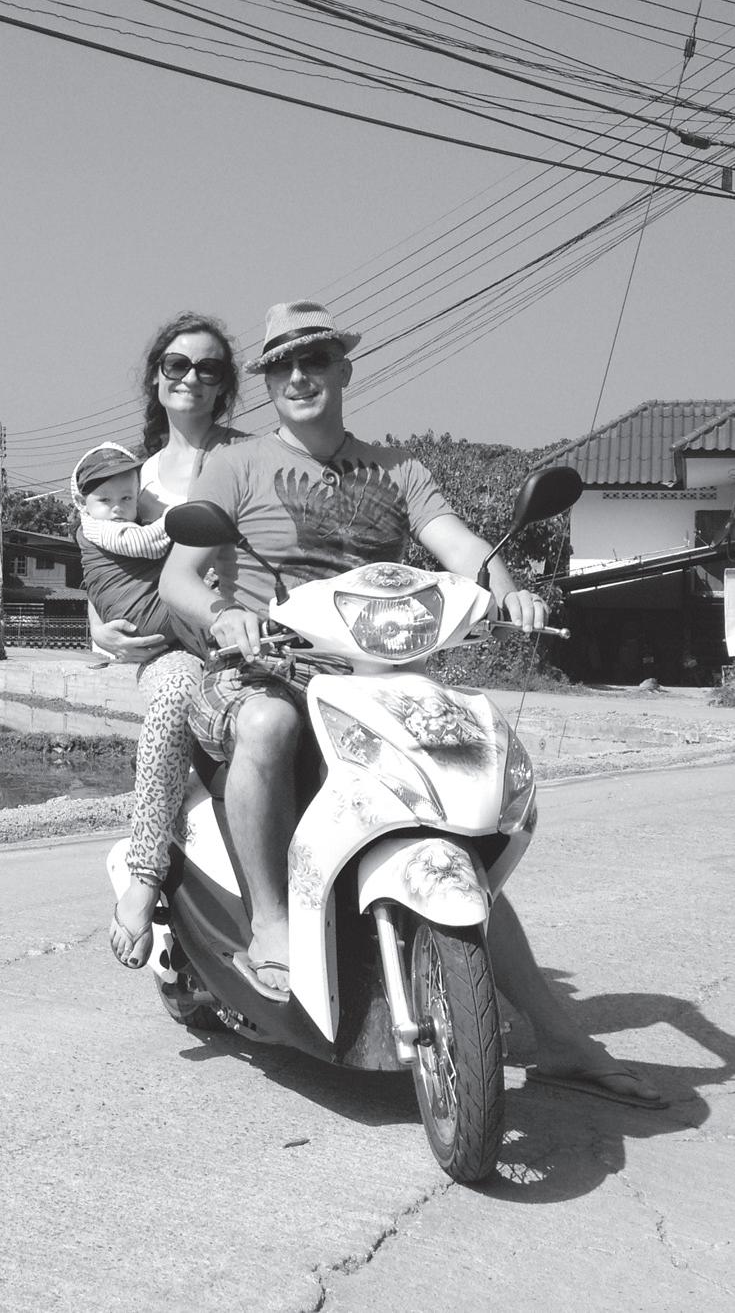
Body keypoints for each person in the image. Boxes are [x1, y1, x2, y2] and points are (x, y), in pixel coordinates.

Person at [159, 299, 667, 1107]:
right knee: (267, 725)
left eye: (315, 359)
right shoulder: (234, 464)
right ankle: (269, 920)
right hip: (264, 670)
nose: (299, 375)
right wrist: (225, 616)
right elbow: (178, 577)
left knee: (447, 822)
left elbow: (459, 547)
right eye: (282, 365)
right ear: (266, 381)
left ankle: (558, 1037)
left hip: (376, 678)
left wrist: (507, 588)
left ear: (343, 369)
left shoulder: (398, 470)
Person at [76, 312, 246, 969]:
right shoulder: (134, 480)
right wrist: (98, 631)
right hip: (171, 646)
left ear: (224, 383)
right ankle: (145, 873)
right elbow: (108, 568)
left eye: (208, 367)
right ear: (156, 377)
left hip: (244, 634)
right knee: (175, 694)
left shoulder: (250, 457)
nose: (190, 378)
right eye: (176, 364)